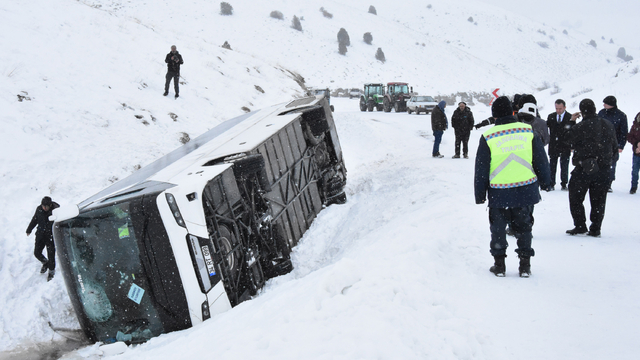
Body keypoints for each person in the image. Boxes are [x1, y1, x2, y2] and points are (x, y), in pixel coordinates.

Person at [474, 96, 550, 278]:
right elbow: (541, 159)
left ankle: (499, 265)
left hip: (499, 192)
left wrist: (480, 194)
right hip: (525, 189)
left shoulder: (488, 136)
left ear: (494, 114)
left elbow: (481, 168)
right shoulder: (527, 131)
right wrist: (546, 182)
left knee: (498, 229)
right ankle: (525, 266)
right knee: (524, 228)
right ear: (512, 111)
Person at [566, 99, 618, 237]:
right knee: (599, 200)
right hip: (604, 168)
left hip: (584, 168)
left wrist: (571, 121)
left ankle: (580, 225)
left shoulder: (581, 126)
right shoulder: (608, 124)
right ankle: (595, 228)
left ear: (582, 111)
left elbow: (567, 139)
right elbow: (614, 146)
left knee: (575, 196)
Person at [597, 96, 628, 192]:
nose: (603, 105)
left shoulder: (621, 116)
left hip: (613, 144)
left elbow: (624, 132)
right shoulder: (601, 113)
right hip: (600, 143)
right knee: (599, 162)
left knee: (611, 164)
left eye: (605, 103)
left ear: (611, 104)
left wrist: (621, 145)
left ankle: (608, 183)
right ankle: (598, 182)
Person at [26, 196, 60, 281]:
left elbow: (60, 223)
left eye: (46, 206)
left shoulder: (56, 211)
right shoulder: (39, 209)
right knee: (37, 253)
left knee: (51, 255)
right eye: (43, 206)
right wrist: (29, 229)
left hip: (50, 236)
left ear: (50, 205)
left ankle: (51, 271)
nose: (44, 208)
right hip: (40, 235)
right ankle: (45, 262)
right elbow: (34, 220)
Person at [546, 99, 574, 191]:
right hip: (554, 145)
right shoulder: (551, 117)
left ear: (564, 108)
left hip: (565, 145)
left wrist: (572, 145)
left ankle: (564, 183)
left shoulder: (570, 117)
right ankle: (551, 183)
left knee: (564, 166)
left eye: (560, 108)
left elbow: (573, 132)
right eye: (556, 108)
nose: (558, 110)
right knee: (552, 165)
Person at [626, 112, 640, 194]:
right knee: (635, 171)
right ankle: (633, 187)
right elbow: (630, 136)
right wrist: (637, 143)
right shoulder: (635, 125)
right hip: (636, 153)